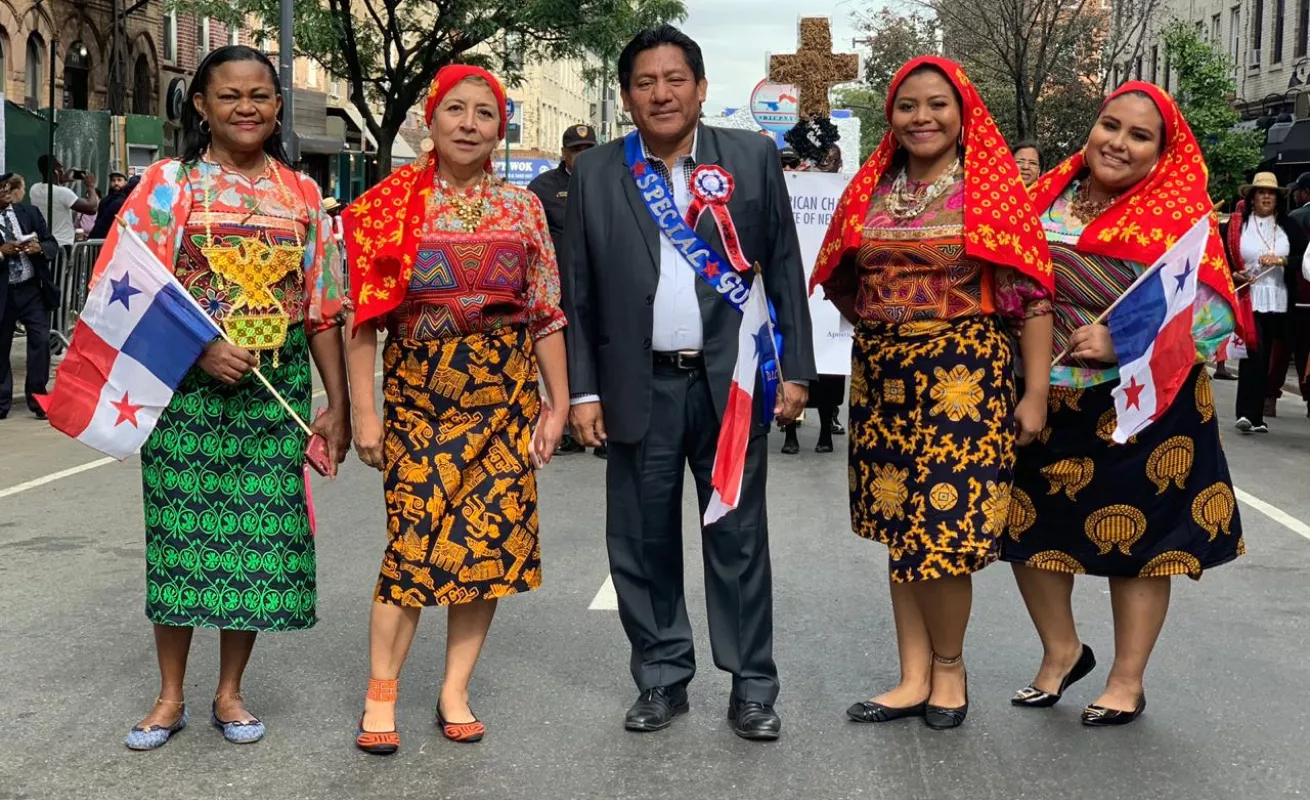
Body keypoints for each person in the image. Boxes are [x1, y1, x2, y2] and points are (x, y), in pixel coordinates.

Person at [561, 25, 816, 740]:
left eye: (676, 79)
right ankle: (662, 677)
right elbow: (577, 294)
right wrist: (583, 393)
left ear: (701, 89)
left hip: (729, 385)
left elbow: (785, 268)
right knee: (640, 542)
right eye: (646, 82)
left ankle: (753, 687)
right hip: (635, 386)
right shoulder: (598, 172)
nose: (662, 93)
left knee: (738, 539)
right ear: (627, 95)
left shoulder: (752, 157)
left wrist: (795, 368)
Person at [93, 44, 351, 751]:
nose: (246, 107)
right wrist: (200, 348)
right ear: (200, 106)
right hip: (185, 400)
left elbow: (323, 309)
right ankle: (169, 696)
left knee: (258, 545)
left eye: (260, 95)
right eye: (229, 95)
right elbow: (126, 285)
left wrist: (339, 406)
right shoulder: (167, 187)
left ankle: (230, 691)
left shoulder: (302, 197)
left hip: (277, 400)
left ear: (277, 107)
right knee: (181, 544)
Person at [812, 57, 1054, 730]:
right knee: (899, 525)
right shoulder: (870, 187)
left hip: (963, 378)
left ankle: (949, 667)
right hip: (884, 376)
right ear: (890, 116)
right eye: (908, 105)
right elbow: (841, 276)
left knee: (941, 530)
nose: (922, 118)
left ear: (963, 112)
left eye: (937, 104)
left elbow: (1030, 298)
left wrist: (1033, 393)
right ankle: (912, 674)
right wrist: (888, 324)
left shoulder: (990, 190)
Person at [1000, 81, 1245, 727]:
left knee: (1136, 545)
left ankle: (1126, 680)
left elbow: (1215, 322)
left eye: (1140, 136)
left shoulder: (1181, 218)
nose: (1118, 143)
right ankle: (1061, 654)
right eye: (1111, 125)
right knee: (1028, 529)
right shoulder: (1042, 196)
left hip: (1140, 407)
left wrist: (1124, 340)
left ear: (1162, 153)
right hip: (1044, 395)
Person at [343, 63, 569, 756]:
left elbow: (545, 312)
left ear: (501, 128)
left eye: (484, 113)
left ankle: (455, 689)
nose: (469, 124)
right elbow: (361, 320)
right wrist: (364, 413)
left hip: (504, 403)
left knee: (486, 553)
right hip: (419, 402)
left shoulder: (523, 209)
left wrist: (556, 404)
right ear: (430, 121)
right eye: (455, 111)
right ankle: (381, 694)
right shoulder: (386, 207)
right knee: (411, 550)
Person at [528, 123, 600, 457]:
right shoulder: (543, 188)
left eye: (589, 149)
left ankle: (604, 427)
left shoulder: (611, 182)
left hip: (602, 281)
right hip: (560, 288)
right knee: (566, 354)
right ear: (564, 153)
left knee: (605, 352)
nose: (584, 156)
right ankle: (568, 424)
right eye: (577, 150)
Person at [777, 137, 847, 455]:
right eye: (785, 164)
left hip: (825, 297)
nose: (790, 169)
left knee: (828, 371)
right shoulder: (776, 194)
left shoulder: (842, 195)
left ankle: (825, 432)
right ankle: (789, 431)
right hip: (789, 288)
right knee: (788, 361)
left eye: (832, 160)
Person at [1220, 172, 1303, 434]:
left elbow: (1304, 257)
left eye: (1271, 193)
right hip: (1249, 297)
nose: (1266, 197)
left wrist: (1282, 261)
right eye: (1261, 193)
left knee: (1270, 356)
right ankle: (1246, 413)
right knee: (1254, 353)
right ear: (1252, 198)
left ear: (1277, 199)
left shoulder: (1289, 227)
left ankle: (1257, 416)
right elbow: (1219, 258)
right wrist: (1234, 274)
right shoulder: (1236, 227)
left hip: (1280, 299)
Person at [0, 172, 60, 420]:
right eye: (0, 189)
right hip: (4, 292)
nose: (5, 192)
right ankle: (2, 401)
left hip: (31, 289)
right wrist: (2, 252)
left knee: (41, 341)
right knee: (1, 346)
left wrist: (40, 248)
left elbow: (51, 243)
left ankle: (38, 398)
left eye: (6, 188)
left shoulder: (30, 214)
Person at [30, 156, 99, 249]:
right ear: (56, 171)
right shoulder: (63, 192)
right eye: (61, 168)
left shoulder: (34, 189)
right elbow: (92, 208)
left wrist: (61, 179)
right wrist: (91, 186)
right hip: (62, 244)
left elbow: (51, 188)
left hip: (45, 244)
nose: (63, 170)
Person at [89, 174, 141, 240]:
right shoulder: (109, 201)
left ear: (126, 182)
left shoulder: (125, 200)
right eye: (113, 180)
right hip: (106, 240)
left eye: (119, 180)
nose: (116, 183)